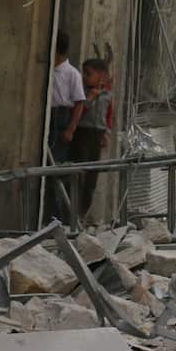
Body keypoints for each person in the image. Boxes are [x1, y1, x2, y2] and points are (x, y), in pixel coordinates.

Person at [69, 58, 114, 228]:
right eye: (84, 74)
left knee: (91, 177)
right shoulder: (82, 92)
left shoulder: (108, 96)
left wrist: (106, 133)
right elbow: (77, 112)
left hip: (97, 135)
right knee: (78, 173)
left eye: (89, 74)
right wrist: (89, 98)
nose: (85, 77)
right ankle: (71, 212)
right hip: (82, 133)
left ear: (101, 76)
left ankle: (82, 214)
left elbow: (108, 116)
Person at [47, 32, 87, 223]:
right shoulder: (47, 69)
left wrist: (70, 129)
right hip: (48, 116)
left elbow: (79, 103)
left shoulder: (72, 74)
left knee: (56, 168)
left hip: (61, 117)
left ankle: (56, 216)